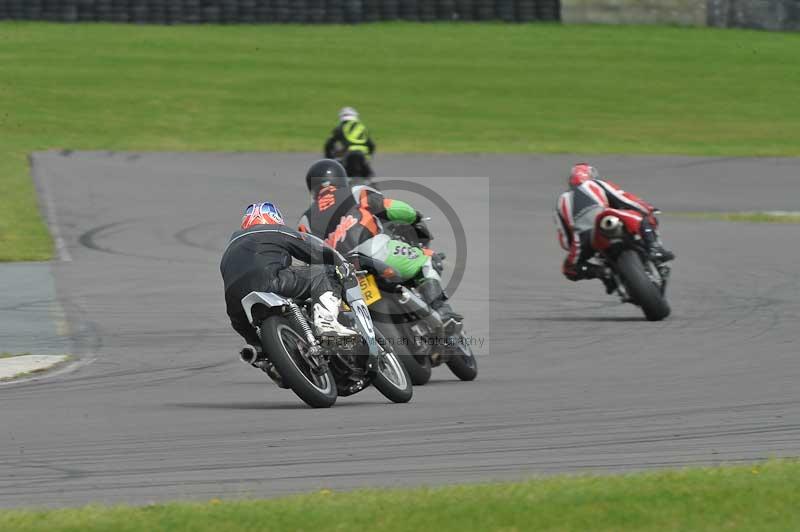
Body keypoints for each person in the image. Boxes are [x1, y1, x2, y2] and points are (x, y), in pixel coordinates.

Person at [297, 159, 461, 327]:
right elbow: (392, 208)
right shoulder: (355, 191)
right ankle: (443, 312)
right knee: (427, 260)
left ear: (312, 188)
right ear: (341, 178)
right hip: (374, 250)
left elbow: (309, 259)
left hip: (339, 274)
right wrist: (414, 216)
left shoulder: (305, 221)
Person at [220, 201, 357, 380]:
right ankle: (327, 325)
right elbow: (314, 252)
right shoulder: (276, 231)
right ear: (276, 219)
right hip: (271, 282)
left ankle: (269, 362)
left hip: (235, 305)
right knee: (323, 273)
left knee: (257, 348)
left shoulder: (231, 246)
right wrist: (340, 263)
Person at [555, 163, 674, 288]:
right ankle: (655, 249)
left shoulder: (561, 200)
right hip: (606, 218)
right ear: (591, 176)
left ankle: (604, 273)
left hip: (584, 238)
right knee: (642, 216)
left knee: (569, 268)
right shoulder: (594, 184)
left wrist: (577, 248)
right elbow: (624, 199)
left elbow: (565, 240)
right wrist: (647, 209)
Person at [323, 107, 376, 179]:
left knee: (341, 177)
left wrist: (329, 159)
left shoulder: (341, 127)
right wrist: (368, 157)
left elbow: (329, 145)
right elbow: (372, 145)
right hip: (362, 156)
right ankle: (374, 188)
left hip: (349, 156)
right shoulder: (362, 128)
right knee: (369, 176)